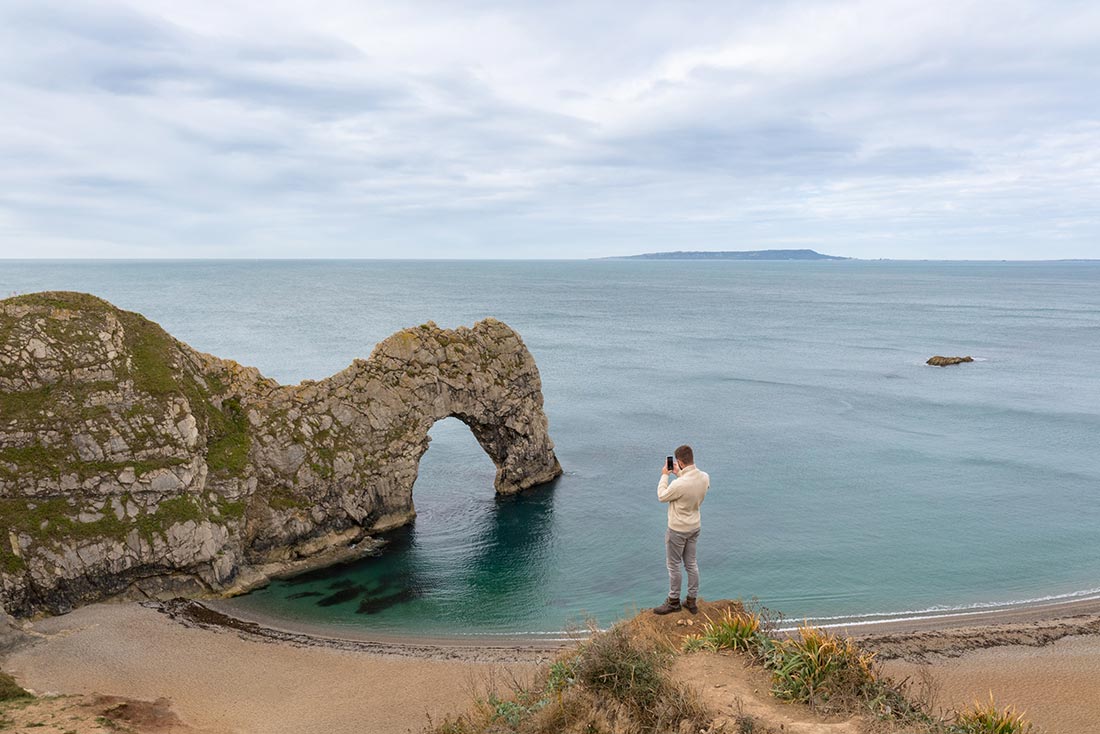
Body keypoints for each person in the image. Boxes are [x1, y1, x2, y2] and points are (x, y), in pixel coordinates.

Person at [653, 444, 710, 615]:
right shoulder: (705, 477)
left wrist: (665, 475)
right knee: (691, 564)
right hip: (695, 527)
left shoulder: (679, 484)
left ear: (679, 461)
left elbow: (662, 496)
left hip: (677, 529)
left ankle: (673, 601)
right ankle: (691, 601)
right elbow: (691, 485)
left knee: (674, 566)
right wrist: (680, 473)